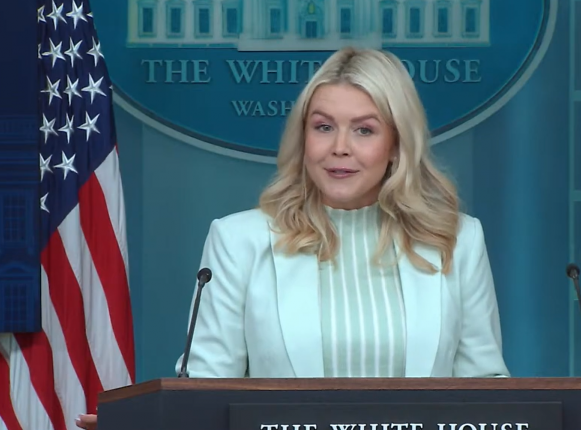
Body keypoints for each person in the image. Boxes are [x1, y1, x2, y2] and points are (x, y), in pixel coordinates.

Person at [76, 46, 508, 429]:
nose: (339, 147)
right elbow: (205, 392)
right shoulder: (238, 240)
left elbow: (489, 393)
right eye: (323, 127)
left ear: (396, 145)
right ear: (303, 138)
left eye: (364, 130)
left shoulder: (457, 240)